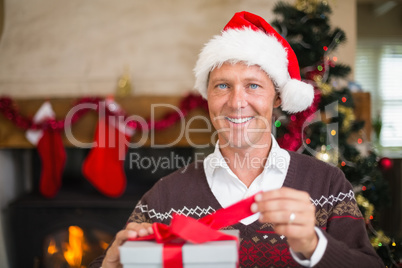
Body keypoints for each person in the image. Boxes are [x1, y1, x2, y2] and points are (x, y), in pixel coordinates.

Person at [90, 11, 384, 268]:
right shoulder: (164, 198)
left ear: (278, 96)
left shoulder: (327, 185)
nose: (236, 101)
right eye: (222, 86)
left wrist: (313, 245)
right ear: (207, 98)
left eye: (253, 85)